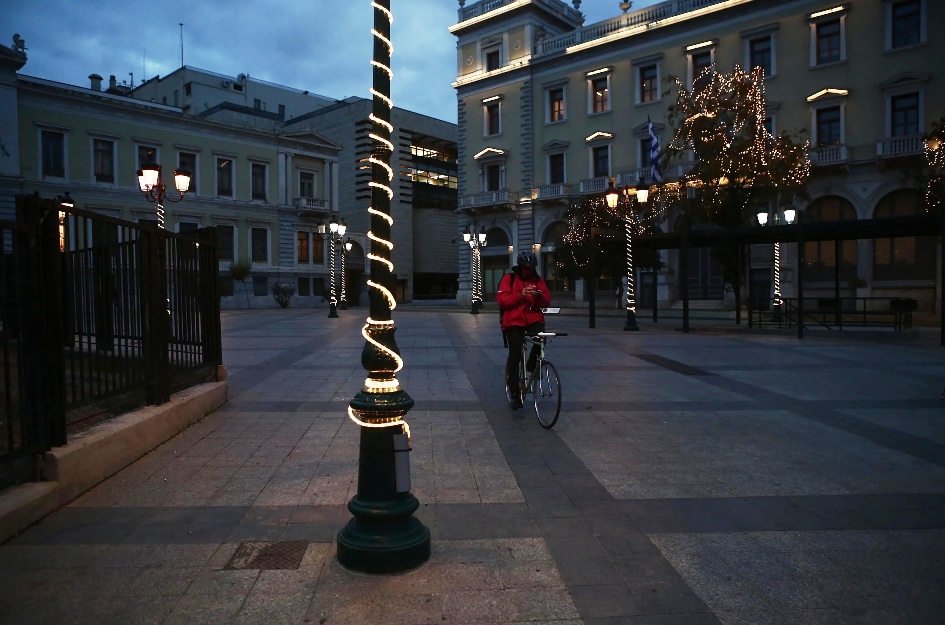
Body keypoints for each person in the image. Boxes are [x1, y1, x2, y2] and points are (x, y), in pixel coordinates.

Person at [497, 251, 551, 409]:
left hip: (533, 318)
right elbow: (502, 300)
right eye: (526, 268)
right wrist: (520, 296)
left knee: (541, 338)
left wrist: (538, 296)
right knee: (515, 352)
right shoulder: (509, 279)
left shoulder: (538, 280)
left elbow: (546, 301)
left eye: (531, 268)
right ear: (520, 267)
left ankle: (532, 364)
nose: (529, 271)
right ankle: (514, 393)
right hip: (514, 320)